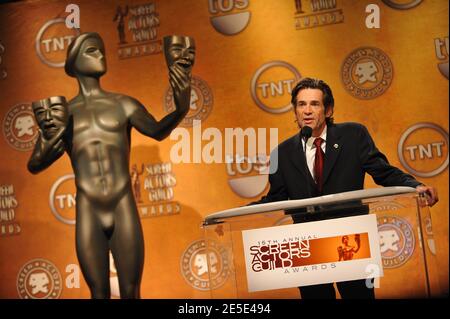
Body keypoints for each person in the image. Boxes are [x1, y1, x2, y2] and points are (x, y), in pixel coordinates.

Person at [27, 32, 194, 299]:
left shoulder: (123, 104)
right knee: (99, 293)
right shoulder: (64, 114)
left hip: (122, 204)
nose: (101, 55)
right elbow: (35, 164)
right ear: (74, 62)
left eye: (102, 50)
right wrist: (50, 140)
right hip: (88, 209)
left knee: (131, 291)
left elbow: (157, 131)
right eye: (93, 51)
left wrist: (181, 108)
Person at [253, 77, 438, 299]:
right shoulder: (281, 153)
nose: (307, 111)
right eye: (301, 105)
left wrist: (414, 185)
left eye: (315, 104)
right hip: (307, 246)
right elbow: (277, 198)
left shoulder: (353, 135)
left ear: (328, 109)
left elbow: (383, 171)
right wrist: (230, 217)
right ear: (295, 111)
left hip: (351, 241)